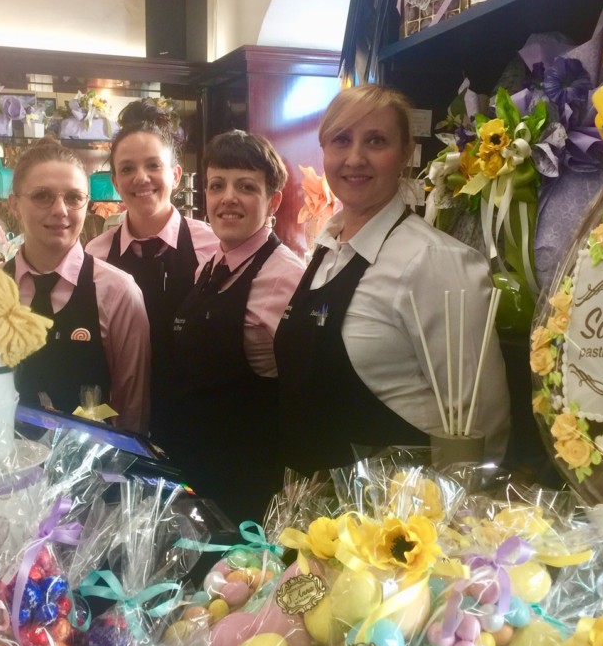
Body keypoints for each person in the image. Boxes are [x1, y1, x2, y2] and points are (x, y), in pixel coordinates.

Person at [274, 84, 511, 473]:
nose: (355, 158)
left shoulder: (433, 261)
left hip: (397, 522)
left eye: (375, 141)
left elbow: (482, 426)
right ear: (325, 151)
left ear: (405, 154)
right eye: (341, 140)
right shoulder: (327, 249)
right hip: (312, 518)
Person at [169, 130, 305, 521]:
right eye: (217, 185)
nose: (228, 197)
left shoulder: (287, 277)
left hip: (250, 483)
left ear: (273, 200)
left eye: (245, 186)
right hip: (199, 470)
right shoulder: (210, 264)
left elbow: (303, 392)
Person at [85, 100, 217, 437]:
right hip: (120, 423)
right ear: (115, 180)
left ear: (174, 174)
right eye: (127, 169)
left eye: (152, 165)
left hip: (197, 424)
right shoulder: (96, 254)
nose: (140, 178)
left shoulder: (212, 246)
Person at [5, 137, 151, 433]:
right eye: (42, 196)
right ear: (14, 205)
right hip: (3, 469)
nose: (60, 210)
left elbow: (130, 407)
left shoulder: (117, 292)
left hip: (91, 471)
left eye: (73, 198)